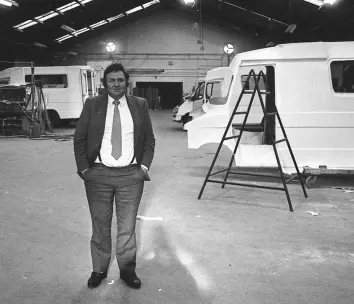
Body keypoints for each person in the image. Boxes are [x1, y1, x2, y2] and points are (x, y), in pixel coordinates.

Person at [73, 63, 155, 289]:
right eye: (112, 80)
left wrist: (144, 168)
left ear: (126, 82)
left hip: (131, 176)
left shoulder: (140, 105)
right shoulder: (92, 104)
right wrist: (84, 169)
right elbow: (79, 139)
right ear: (105, 83)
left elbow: (149, 140)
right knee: (100, 225)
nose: (116, 84)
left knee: (127, 228)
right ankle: (99, 269)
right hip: (98, 175)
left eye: (120, 80)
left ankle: (127, 271)